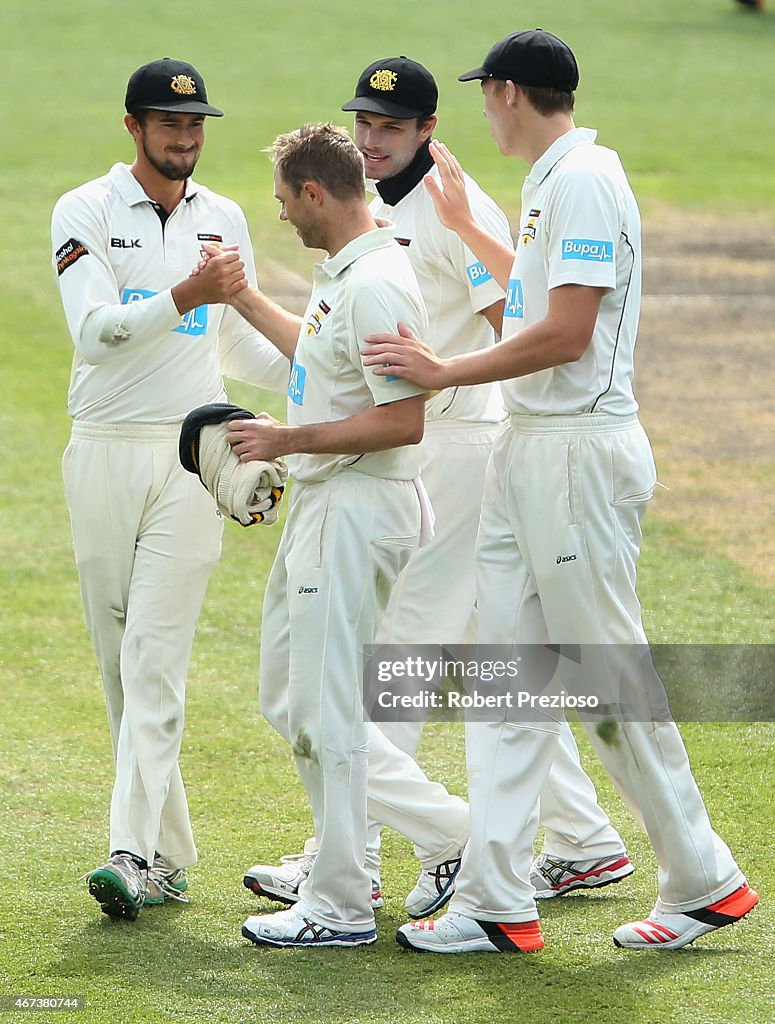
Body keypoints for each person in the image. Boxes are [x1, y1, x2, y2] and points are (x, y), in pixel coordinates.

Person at [362, 29, 759, 952]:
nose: (483, 111)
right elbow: (540, 301)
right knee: (507, 681)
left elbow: (566, 334)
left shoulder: (582, 178)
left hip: (577, 454)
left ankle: (703, 876)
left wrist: (442, 368)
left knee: (605, 677)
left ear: (506, 92)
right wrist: (467, 228)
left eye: (485, 94)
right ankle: (496, 901)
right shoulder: (549, 179)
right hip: (530, 454)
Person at [244, 56, 635, 920]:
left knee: (399, 652)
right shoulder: (361, 210)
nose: (372, 141)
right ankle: (581, 840)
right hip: (419, 445)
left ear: (428, 131)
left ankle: (357, 857)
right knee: (474, 651)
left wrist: (452, 386)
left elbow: (520, 329)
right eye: (364, 125)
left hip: (455, 443)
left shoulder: (460, 211)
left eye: (390, 127)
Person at [51, 58, 290, 921]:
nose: (184, 139)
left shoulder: (222, 218)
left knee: (154, 659)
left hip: (193, 455)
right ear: (134, 127)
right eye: (168, 124)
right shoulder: (84, 211)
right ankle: (171, 854)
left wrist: (326, 375)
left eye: (194, 126)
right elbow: (97, 331)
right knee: (121, 667)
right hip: (103, 452)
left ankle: (128, 852)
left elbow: (240, 347)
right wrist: (182, 293)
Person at [220, 122, 469, 948]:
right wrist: (248, 299)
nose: (282, 215)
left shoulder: (375, 284)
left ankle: (339, 906)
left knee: (325, 708)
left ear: (316, 194)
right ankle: (444, 834)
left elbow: (402, 421)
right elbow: (319, 366)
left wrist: (286, 442)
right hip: (327, 506)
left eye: (286, 201)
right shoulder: (348, 273)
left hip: (356, 507)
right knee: (290, 698)